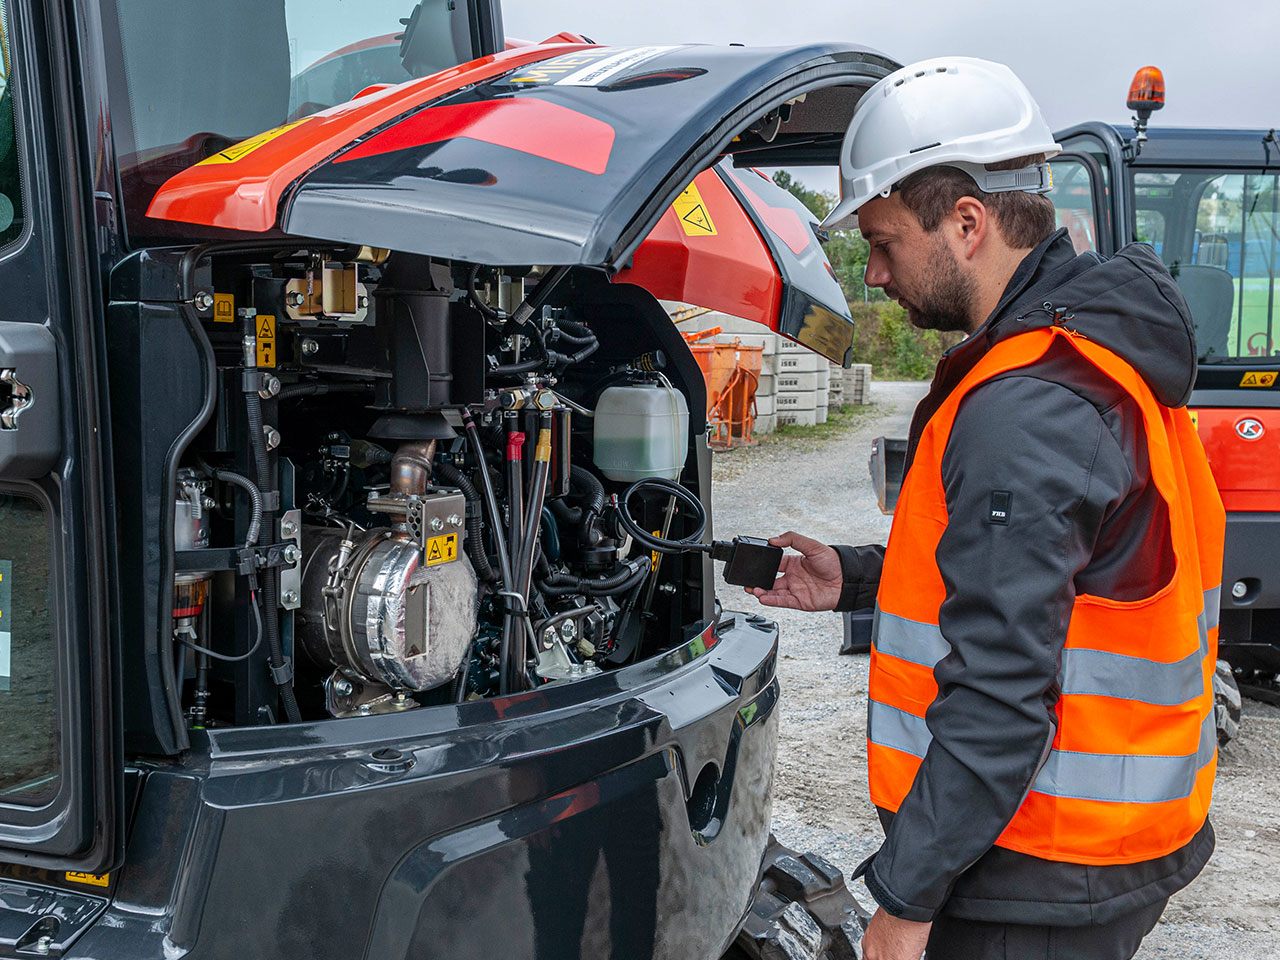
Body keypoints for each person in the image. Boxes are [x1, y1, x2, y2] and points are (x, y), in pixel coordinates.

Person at [752, 57, 1225, 960]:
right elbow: (1068, 582)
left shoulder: (1028, 403)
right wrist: (854, 577)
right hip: (1101, 852)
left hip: (1033, 873)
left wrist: (904, 898)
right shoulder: (1097, 351)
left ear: (967, 223)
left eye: (884, 243)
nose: (877, 275)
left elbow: (1003, 691)